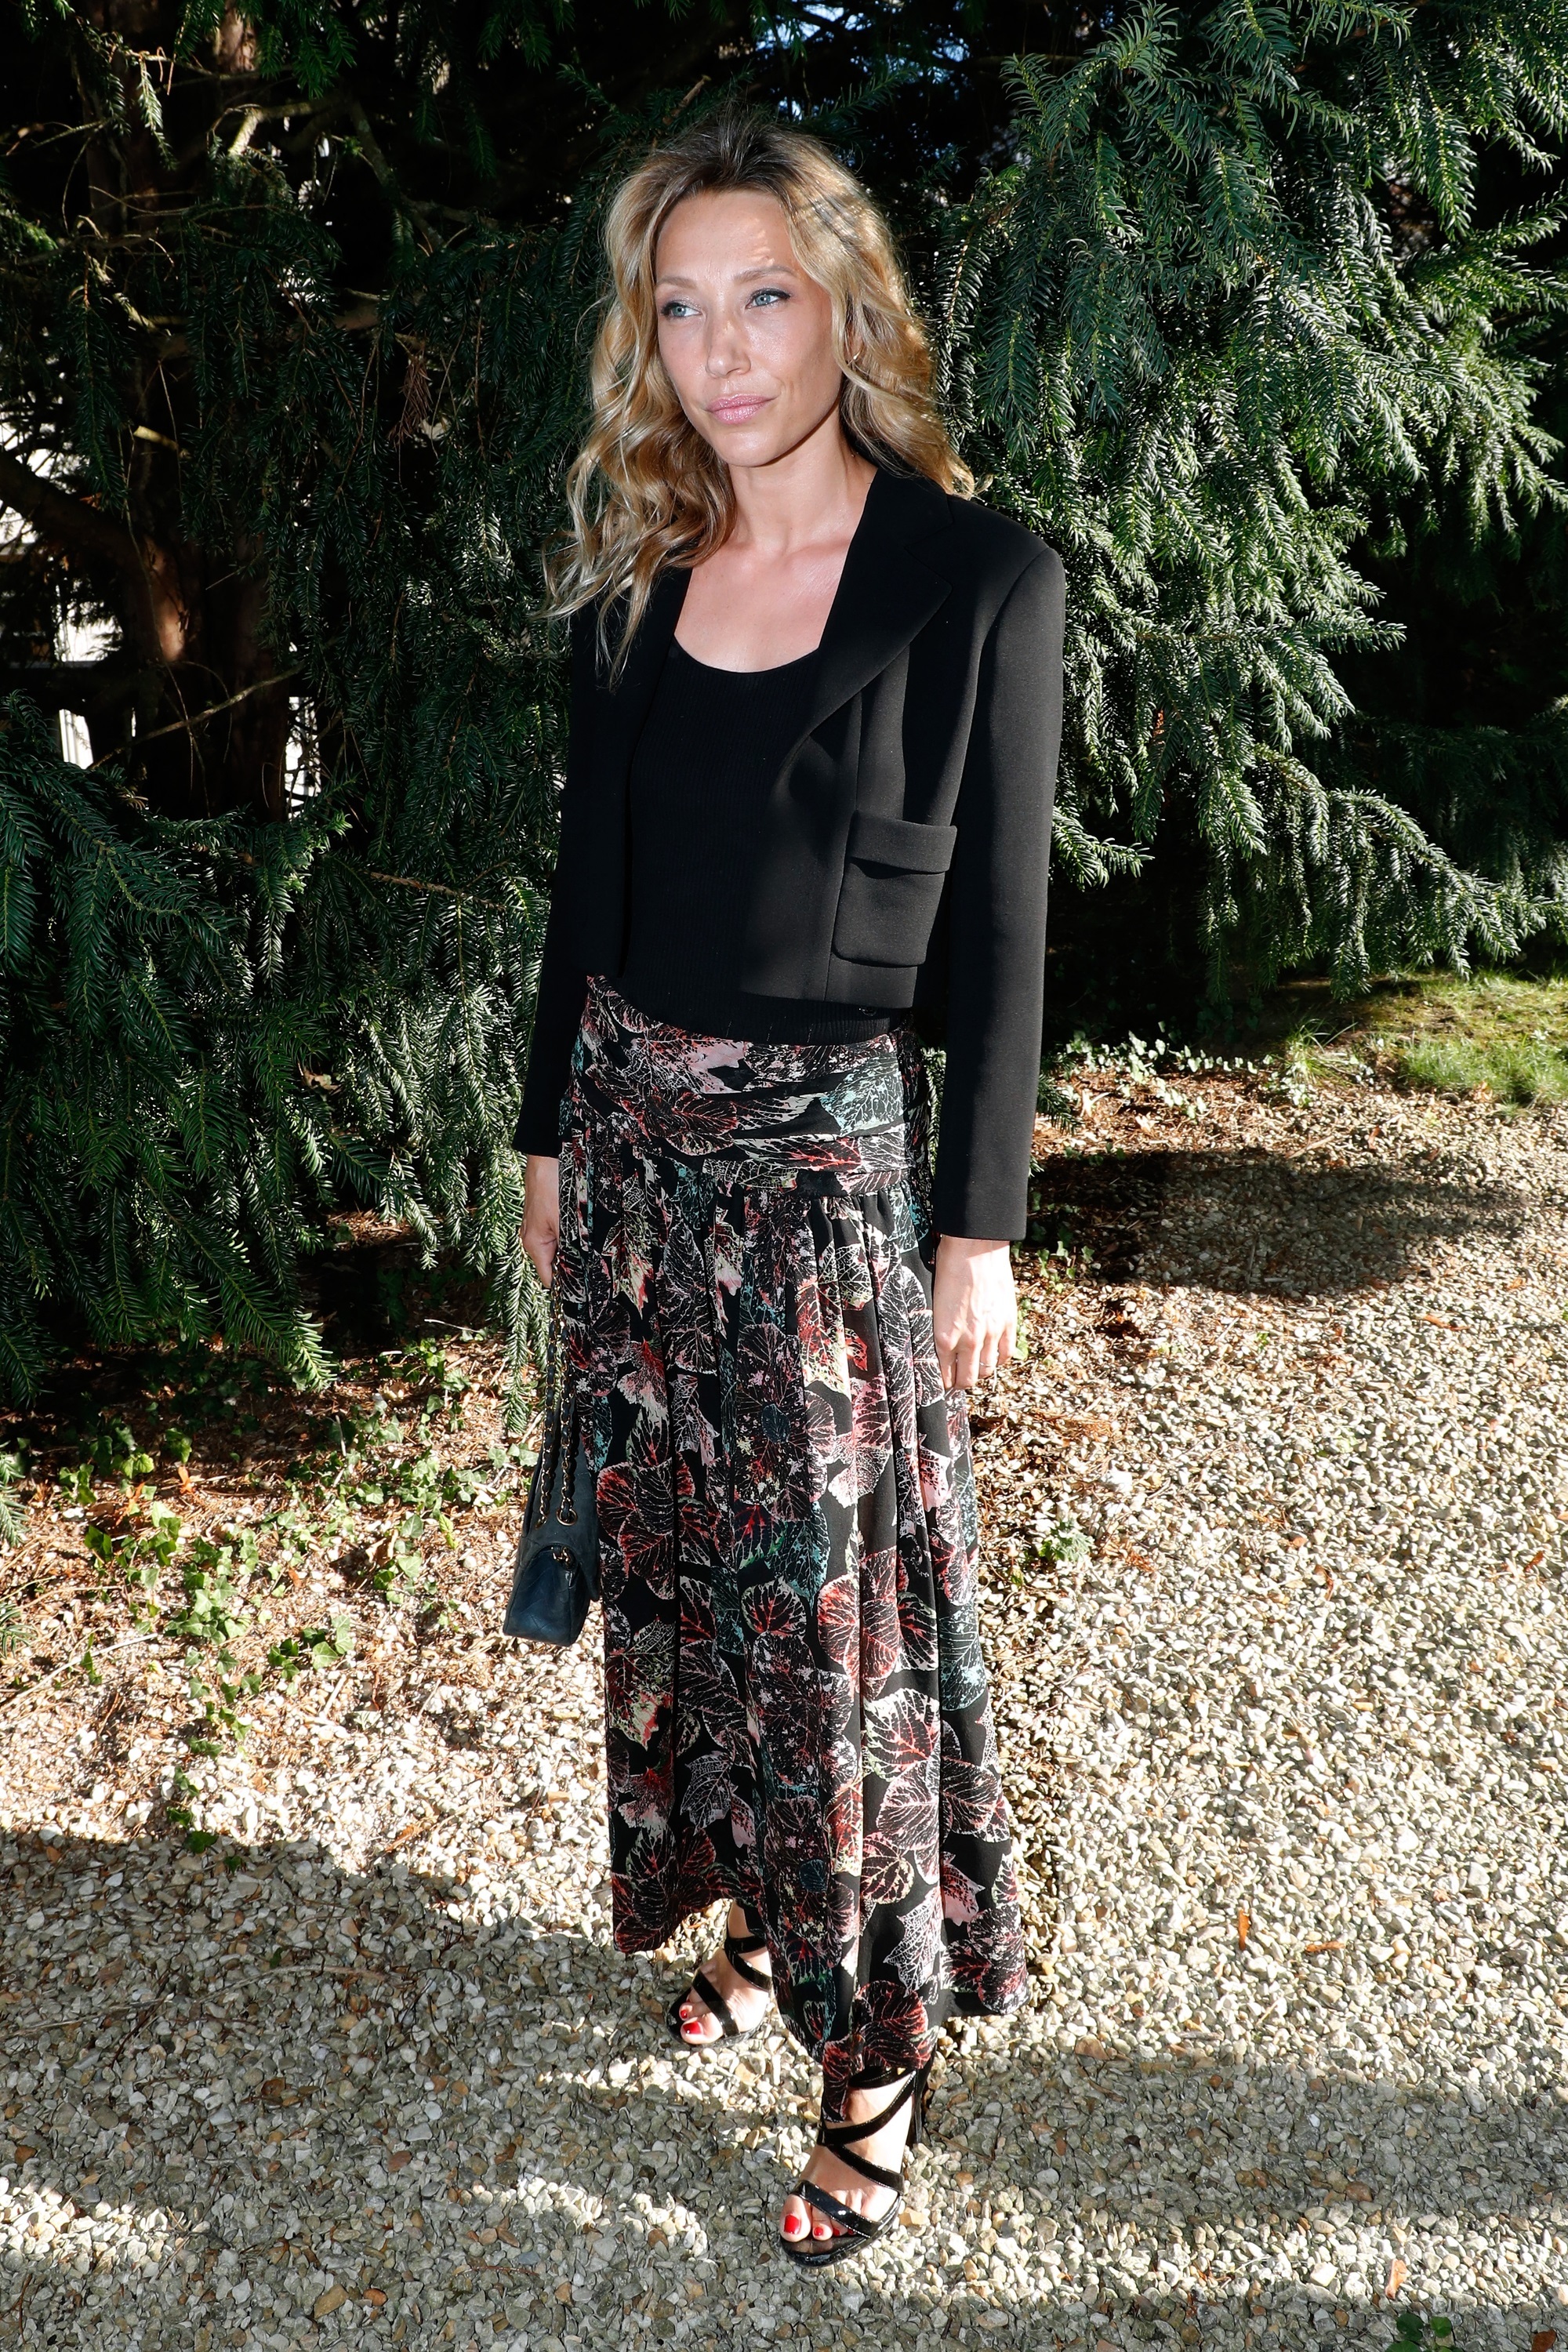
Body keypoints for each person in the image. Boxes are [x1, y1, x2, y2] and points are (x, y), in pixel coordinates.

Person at [517, 109, 1064, 2267]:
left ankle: (875, 2056)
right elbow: (586, 892)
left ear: (845, 308)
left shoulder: (978, 579)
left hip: (828, 1189)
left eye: (763, 297)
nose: (723, 350)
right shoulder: (638, 582)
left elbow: (1005, 935)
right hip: (636, 1165)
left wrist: (980, 1229)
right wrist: (545, 1138)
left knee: (836, 1632)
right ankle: (753, 1905)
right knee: (689, 1586)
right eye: (681, 308)